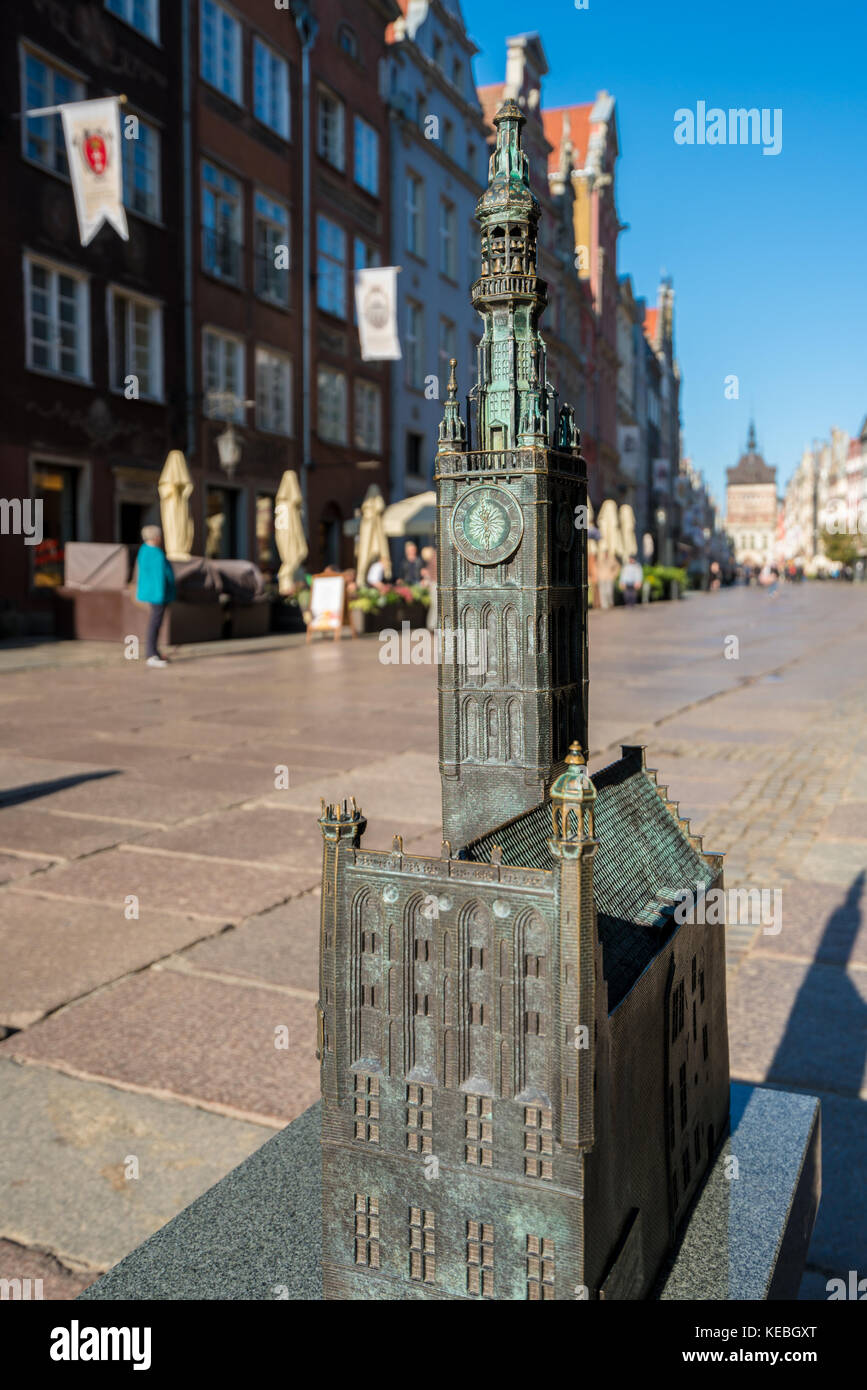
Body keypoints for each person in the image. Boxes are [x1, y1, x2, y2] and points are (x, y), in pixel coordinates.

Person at [136, 525, 175, 668]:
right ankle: (151, 654)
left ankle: (154, 652)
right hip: (158, 594)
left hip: (151, 593)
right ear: (156, 537)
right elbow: (160, 576)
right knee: (155, 623)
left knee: (155, 623)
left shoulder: (143, 551)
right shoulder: (156, 554)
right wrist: (162, 594)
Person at [421, 545, 437, 632]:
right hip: (435, 583)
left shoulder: (434, 557)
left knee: (435, 605)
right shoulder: (434, 558)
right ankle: (432, 626)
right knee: (435, 605)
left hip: (435, 583)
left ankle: (432, 625)